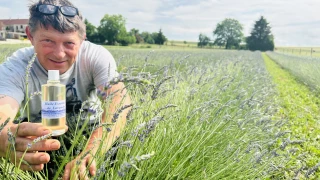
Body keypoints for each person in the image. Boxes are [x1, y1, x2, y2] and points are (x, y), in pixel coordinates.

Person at [0, 0, 131, 179]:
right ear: (30, 35)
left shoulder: (94, 57)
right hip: (40, 136)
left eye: (69, 43)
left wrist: (91, 151)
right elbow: (3, 110)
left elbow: (119, 102)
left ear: (82, 39)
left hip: (89, 131)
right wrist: (3, 136)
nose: (59, 53)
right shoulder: (17, 66)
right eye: (48, 41)